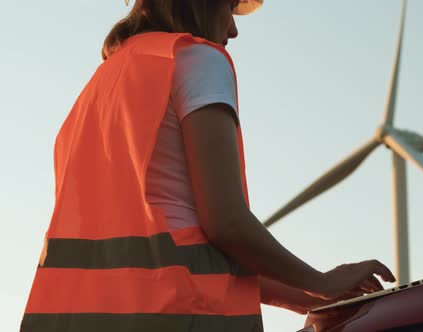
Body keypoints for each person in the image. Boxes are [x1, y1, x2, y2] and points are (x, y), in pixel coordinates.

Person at [21, 0, 395, 331]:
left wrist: (305, 298)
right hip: (178, 315)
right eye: (230, 7)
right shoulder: (196, 59)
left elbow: (172, 251)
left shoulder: (96, 93)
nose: (233, 29)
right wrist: (322, 282)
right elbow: (224, 223)